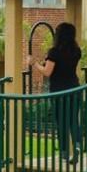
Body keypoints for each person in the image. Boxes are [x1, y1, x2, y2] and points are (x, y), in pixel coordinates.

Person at [28, 22, 83, 163]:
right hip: (75, 89)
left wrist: (34, 63)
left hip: (59, 92)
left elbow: (47, 71)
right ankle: (77, 147)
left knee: (61, 122)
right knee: (73, 121)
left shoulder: (54, 52)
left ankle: (64, 153)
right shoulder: (76, 51)